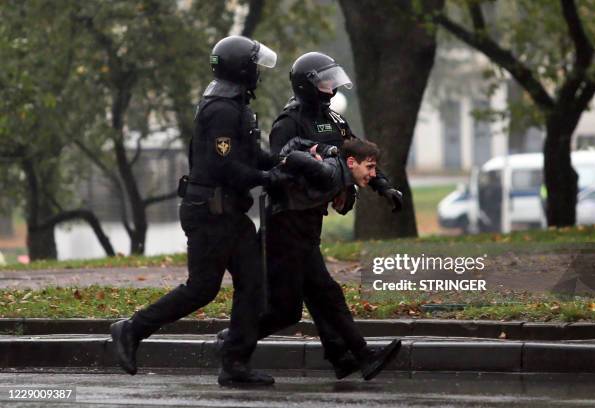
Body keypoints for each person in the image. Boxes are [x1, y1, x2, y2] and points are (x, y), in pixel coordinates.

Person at [110, 35, 287, 386]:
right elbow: (227, 168)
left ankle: (235, 362)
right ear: (241, 68)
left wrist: (283, 163)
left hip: (230, 213)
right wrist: (268, 178)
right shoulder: (221, 108)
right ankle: (131, 329)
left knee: (253, 285)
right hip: (210, 213)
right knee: (202, 289)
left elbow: (248, 154)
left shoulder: (235, 103)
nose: (258, 72)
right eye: (254, 65)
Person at [221, 52, 404, 380]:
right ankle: (362, 356)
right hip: (286, 222)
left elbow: (356, 157)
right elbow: (282, 167)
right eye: (324, 80)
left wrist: (383, 186)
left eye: (332, 79)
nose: (331, 86)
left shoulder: (334, 120)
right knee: (322, 293)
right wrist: (324, 179)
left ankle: (340, 356)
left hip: (309, 220)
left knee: (296, 305)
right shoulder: (288, 122)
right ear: (307, 85)